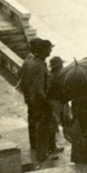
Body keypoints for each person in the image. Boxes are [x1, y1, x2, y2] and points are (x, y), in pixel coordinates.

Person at [18, 38, 57, 166]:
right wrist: (48, 103)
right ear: (42, 51)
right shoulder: (39, 66)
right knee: (43, 127)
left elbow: (22, 81)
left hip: (31, 100)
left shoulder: (29, 61)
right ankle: (42, 155)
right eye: (48, 50)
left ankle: (35, 147)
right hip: (40, 102)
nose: (50, 52)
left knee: (33, 123)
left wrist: (29, 97)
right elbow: (39, 90)